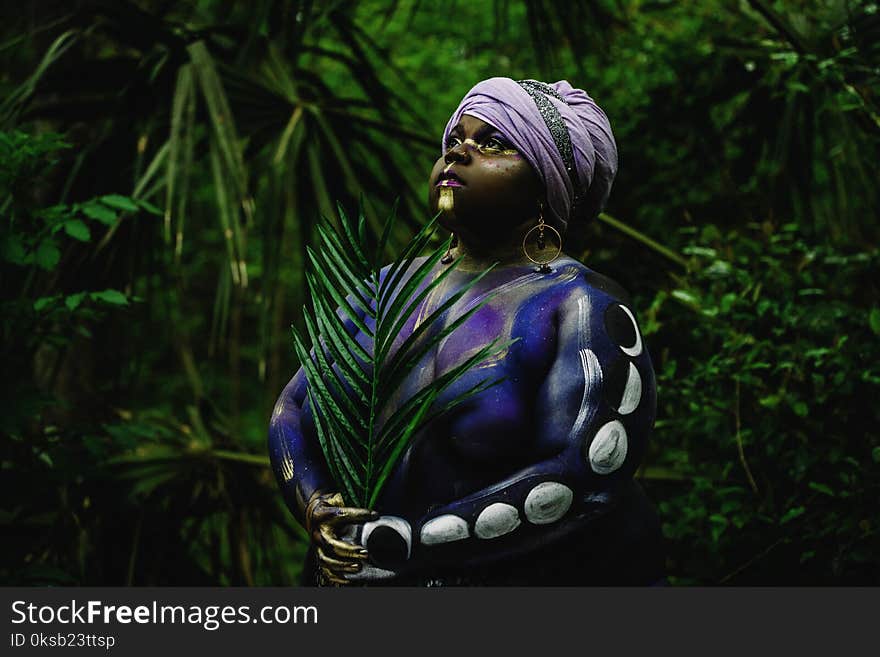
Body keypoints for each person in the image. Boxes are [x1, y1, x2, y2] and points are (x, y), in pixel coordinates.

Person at [268, 77, 664, 586]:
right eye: (454, 138)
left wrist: (406, 542)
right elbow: (292, 407)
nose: (458, 152)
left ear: (546, 185)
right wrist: (315, 506)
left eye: (492, 143)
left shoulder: (582, 306)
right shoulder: (383, 289)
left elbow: (584, 473)